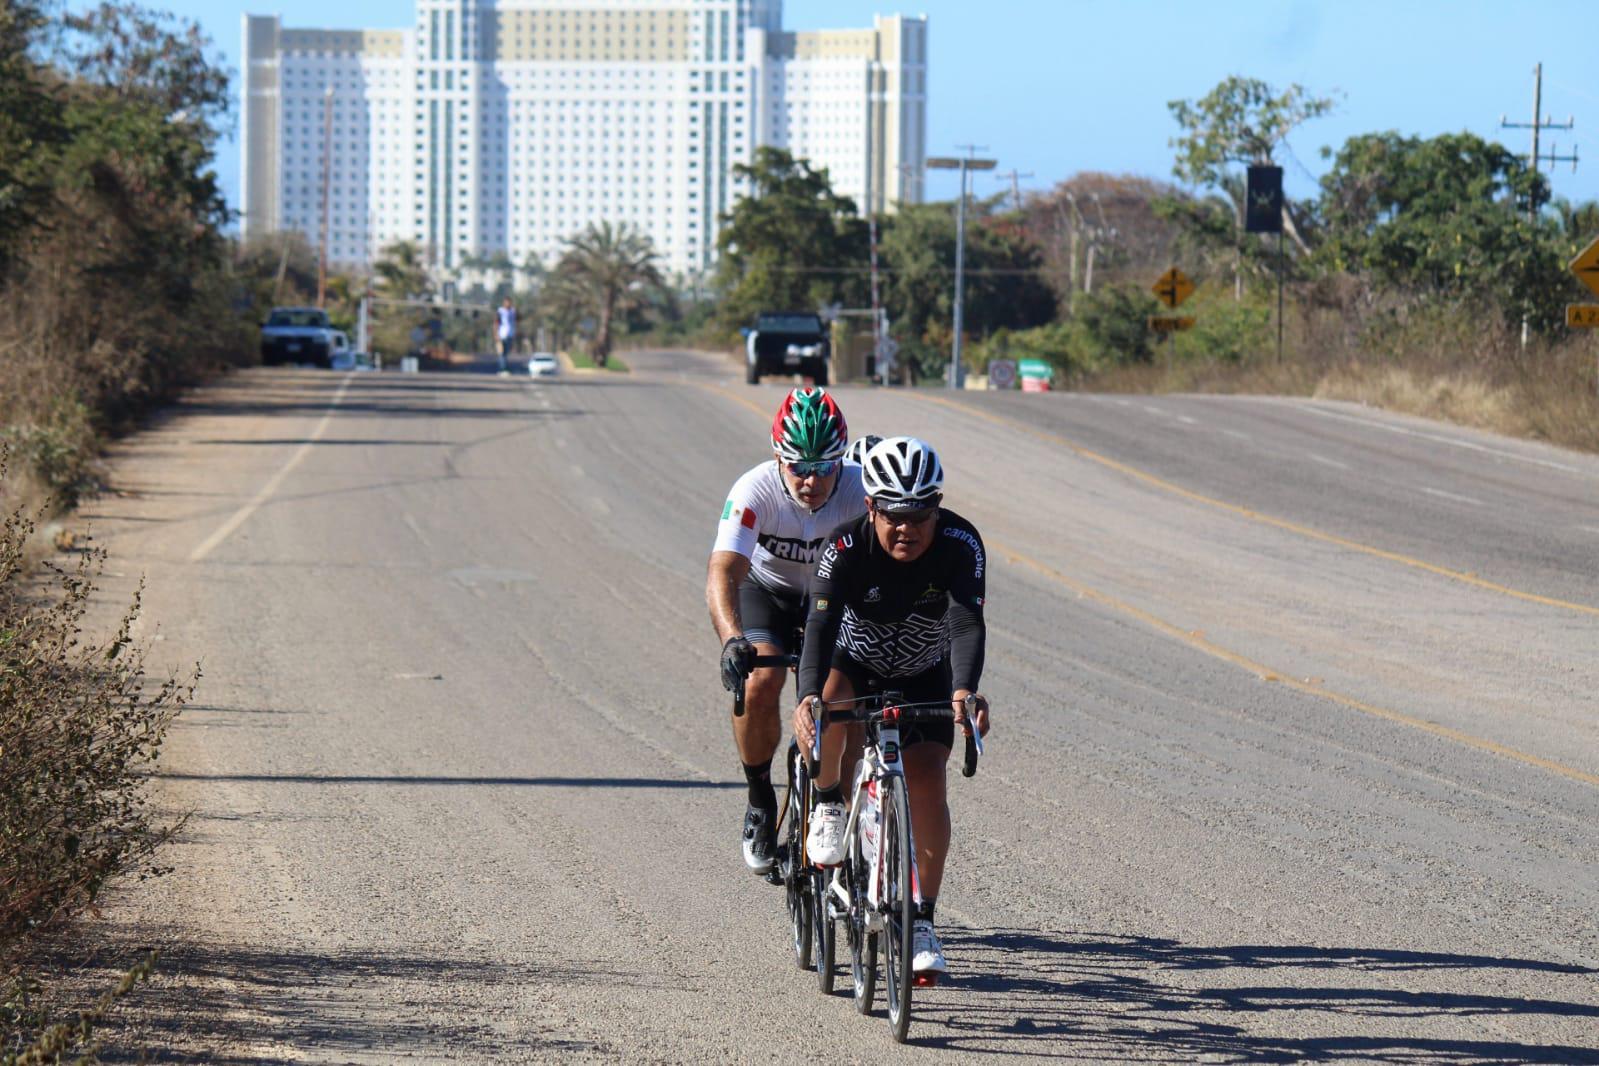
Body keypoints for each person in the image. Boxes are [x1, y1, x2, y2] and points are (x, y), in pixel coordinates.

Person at [791, 436, 990, 977]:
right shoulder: (844, 547)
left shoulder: (960, 543)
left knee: (928, 780)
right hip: (852, 662)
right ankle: (831, 801)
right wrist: (808, 694)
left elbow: (967, 622)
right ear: (872, 507)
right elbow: (820, 624)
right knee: (830, 704)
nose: (908, 529)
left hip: (926, 669)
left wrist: (965, 690)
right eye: (895, 516)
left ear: (938, 507)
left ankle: (922, 918)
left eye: (921, 515)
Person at [707, 388, 866, 875]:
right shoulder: (754, 490)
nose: (813, 480)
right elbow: (723, 572)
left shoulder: (862, 489)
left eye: (825, 466)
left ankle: (839, 807)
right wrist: (733, 640)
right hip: (769, 595)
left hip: (834, 599)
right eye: (799, 466)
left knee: (847, 699)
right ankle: (759, 800)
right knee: (760, 681)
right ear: (779, 456)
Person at [496, 298, 516, 375]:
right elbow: (496, 322)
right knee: (502, 353)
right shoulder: (500, 311)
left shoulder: (513, 311)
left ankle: (504, 368)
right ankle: (502, 369)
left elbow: (518, 319)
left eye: (509, 302)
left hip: (510, 334)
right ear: (504, 303)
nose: (508, 304)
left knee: (506, 353)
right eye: (507, 302)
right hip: (502, 335)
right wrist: (496, 334)